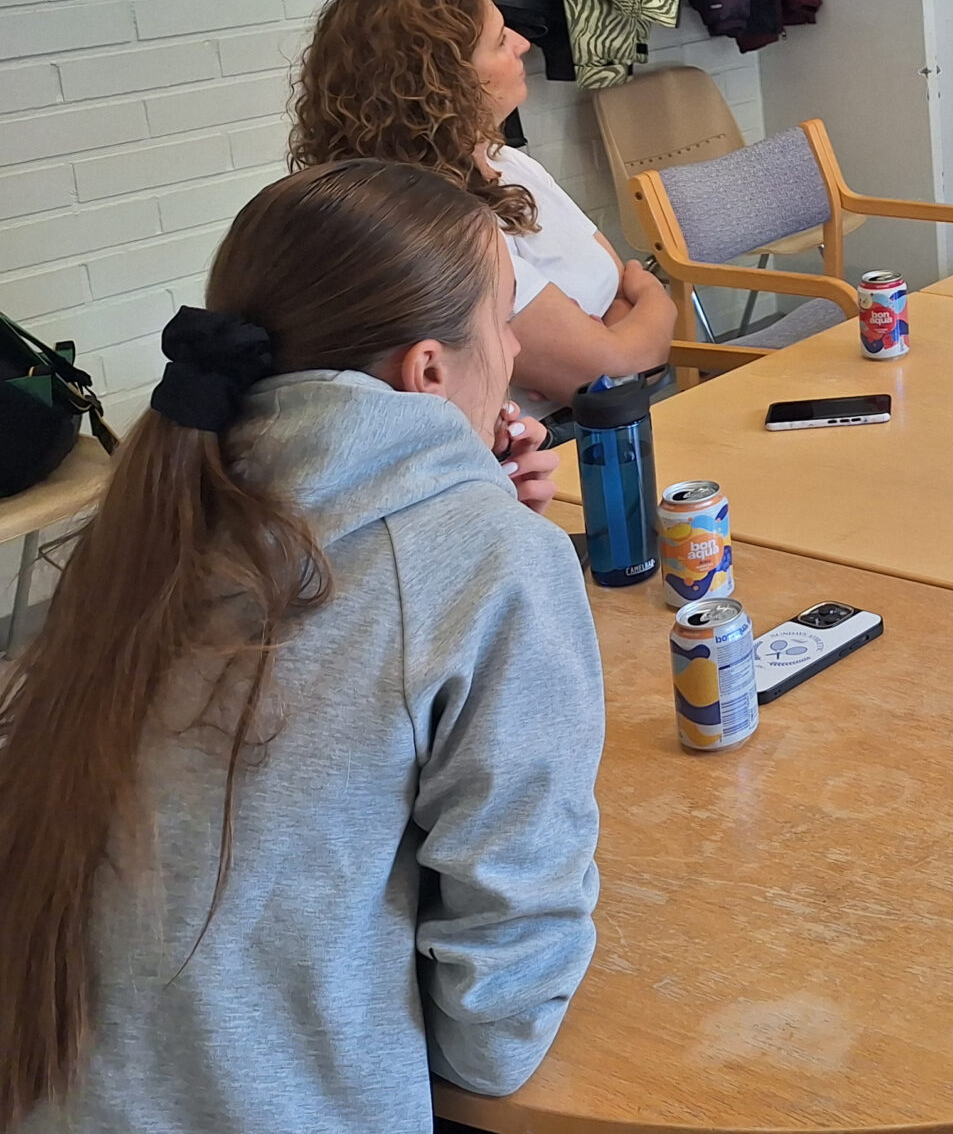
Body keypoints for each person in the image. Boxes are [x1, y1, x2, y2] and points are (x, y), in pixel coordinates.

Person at [0, 160, 604, 1132]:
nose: (517, 344)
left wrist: (459, 502)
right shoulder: (490, 562)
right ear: (428, 370)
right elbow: (495, 1027)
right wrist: (476, 538)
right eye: (502, 317)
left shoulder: (159, 509)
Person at [289, 0, 676, 413]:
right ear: (442, 82)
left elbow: (618, 287)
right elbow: (609, 371)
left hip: (590, 421)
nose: (523, 43)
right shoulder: (427, 227)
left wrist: (612, 338)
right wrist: (655, 304)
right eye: (498, 40)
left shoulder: (508, 162)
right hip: (537, 444)